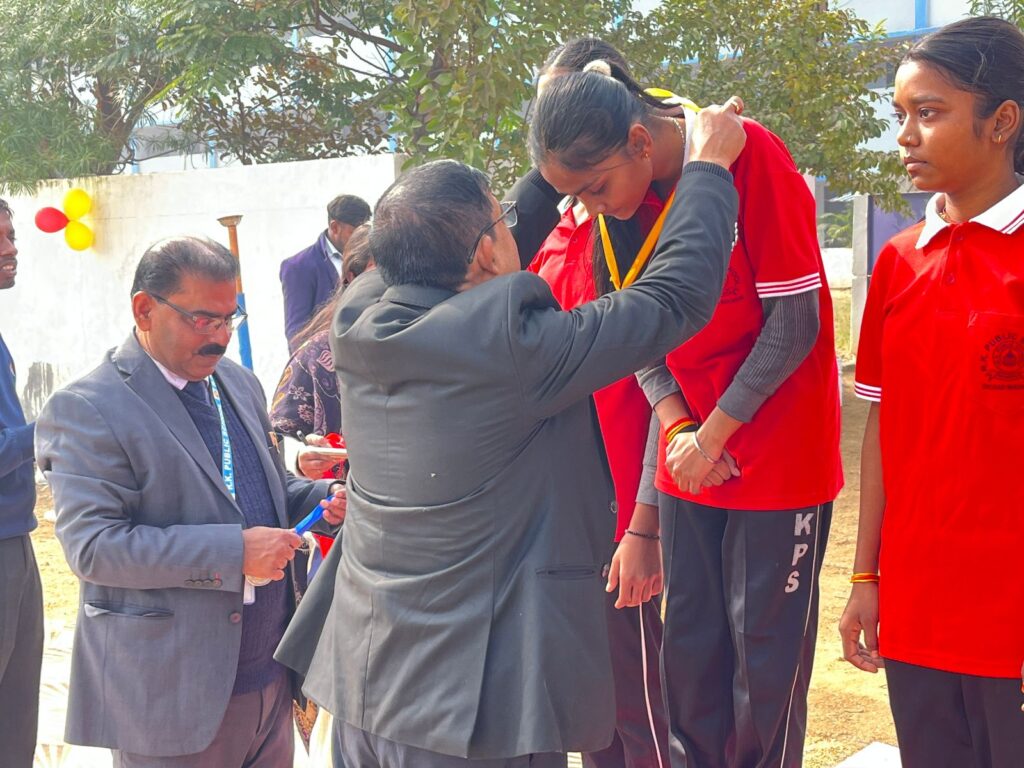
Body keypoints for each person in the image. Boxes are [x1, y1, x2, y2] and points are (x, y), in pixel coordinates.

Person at [276, 94, 746, 767]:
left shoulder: (360, 317)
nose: (513, 227)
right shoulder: (513, 348)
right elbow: (672, 299)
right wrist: (709, 168)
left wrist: (553, 169)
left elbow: (450, 245)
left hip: (367, 681)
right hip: (469, 712)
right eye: (501, 220)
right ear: (485, 253)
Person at [531, 49, 843, 768]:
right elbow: (637, 335)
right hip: (688, 459)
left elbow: (794, 324)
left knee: (763, 676)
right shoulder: (620, 206)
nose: (590, 207)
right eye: (575, 195)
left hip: (773, 459)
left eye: (594, 187)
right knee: (691, 667)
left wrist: (714, 434)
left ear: (641, 141)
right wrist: (679, 427)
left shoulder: (747, 153)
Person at [35, 236, 347, 767]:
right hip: (173, 698)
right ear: (144, 309)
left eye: (230, 319)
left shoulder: (237, 383)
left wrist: (320, 499)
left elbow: (261, 492)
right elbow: (95, 548)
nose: (220, 338)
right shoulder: (90, 406)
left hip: (269, 678)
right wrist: (235, 553)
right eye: (203, 320)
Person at [839, 17, 1024, 768]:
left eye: (929, 112)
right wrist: (865, 577)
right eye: (901, 115)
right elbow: (885, 430)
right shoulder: (897, 263)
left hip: (1009, 617)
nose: (905, 136)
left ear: (1002, 121)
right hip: (917, 612)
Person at [525, 38, 671, 768]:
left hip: (621, 510)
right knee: (588, 712)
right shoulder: (563, 225)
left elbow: (662, 380)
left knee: (640, 708)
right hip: (561, 518)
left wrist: (645, 523)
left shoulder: (638, 222)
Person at [0, 199, 43, 768]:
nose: (12, 249)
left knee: (16, 716)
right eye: (0, 238)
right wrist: (55, 427)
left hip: (16, 538)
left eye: (11, 235)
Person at [281, 194, 371, 351]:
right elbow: (297, 335)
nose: (360, 238)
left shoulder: (370, 258)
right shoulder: (299, 266)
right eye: (354, 232)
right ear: (334, 227)